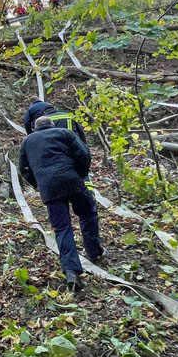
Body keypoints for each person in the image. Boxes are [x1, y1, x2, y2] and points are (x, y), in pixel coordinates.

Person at [19, 116, 104, 292]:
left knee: (62, 228)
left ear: (35, 128)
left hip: (49, 188)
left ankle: (72, 272)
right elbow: (84, 154)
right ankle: (94, 251)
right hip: (72, 180)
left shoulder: (28, 141)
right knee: (88, 213)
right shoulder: (64, 132)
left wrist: (39, 183)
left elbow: (24, 169)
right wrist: (80, 174)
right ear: (52, 125)